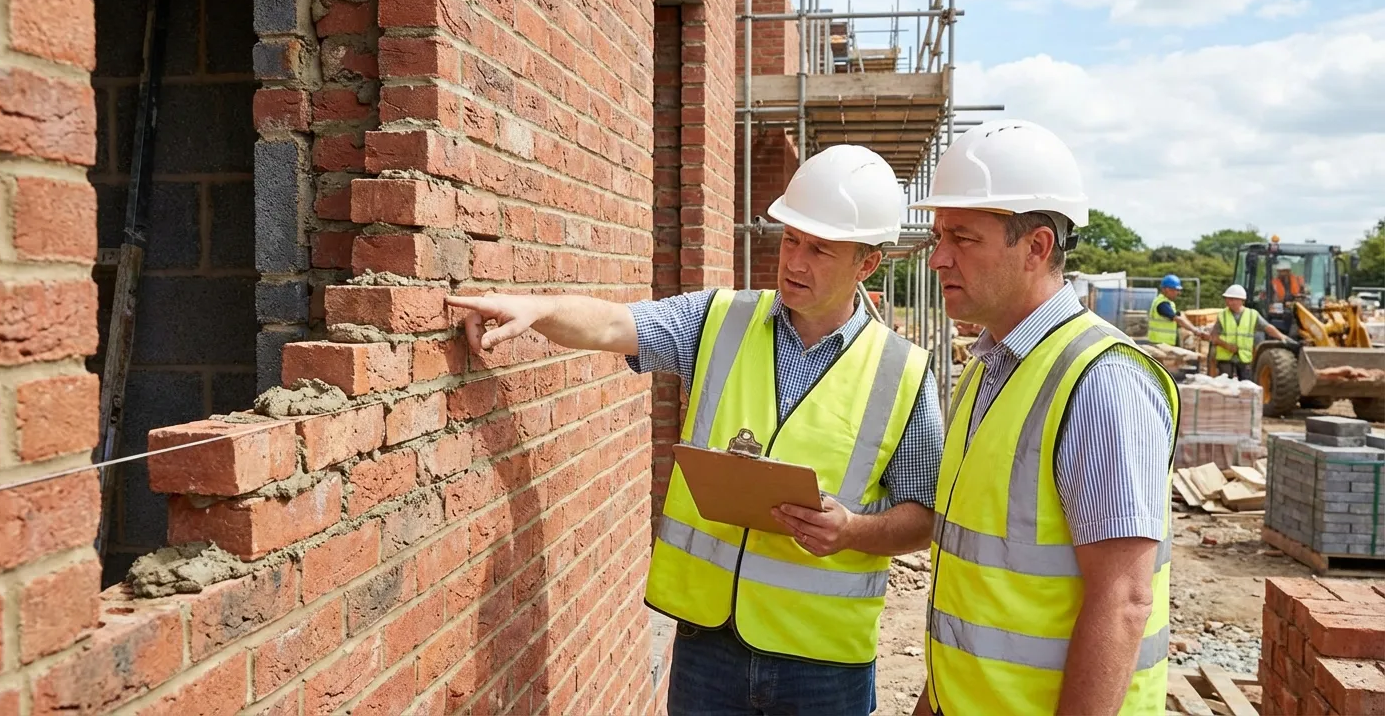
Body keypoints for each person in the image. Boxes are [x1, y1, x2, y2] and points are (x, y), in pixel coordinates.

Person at [446, 144, 944, 716]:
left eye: (820, 250)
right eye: (790, 240)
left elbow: (922, 519)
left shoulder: (901, 371)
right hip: (708, 646)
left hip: (822, 664)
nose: (795, 262)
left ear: (866, 264)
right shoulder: (721, 318)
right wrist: (536, 309)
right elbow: (614, 324)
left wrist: (851, 530)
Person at [906, 119, 1179, 716]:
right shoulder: (989, 368)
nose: (938, 259)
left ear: (1036, 248)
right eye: (938, 237)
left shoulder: (1100, 383)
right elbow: (981, 586)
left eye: (963, 238)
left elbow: (1123, 599)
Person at [1208, 283, 1292, 380]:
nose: (1228, 302)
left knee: (1246, 385)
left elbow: (1268, 328)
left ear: (1241, 301)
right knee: (1226, 386)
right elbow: (1214, 338)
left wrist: (1282, 337)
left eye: (1232, 299)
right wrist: (1227, 346)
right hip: (1225, 359)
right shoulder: (1222, 315)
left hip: (1244, 358)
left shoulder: (1252, 315)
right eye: (1227, 299)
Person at [1149, 274, 1207, 346]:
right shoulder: (1162, 304)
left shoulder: (1166, 302)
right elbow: (1179, 320)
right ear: (1167, 289)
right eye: (1176, 290)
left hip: (1163, 344)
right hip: (1160, 344)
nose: (1178, 293)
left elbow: (1180, 315)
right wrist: (1195, 331)